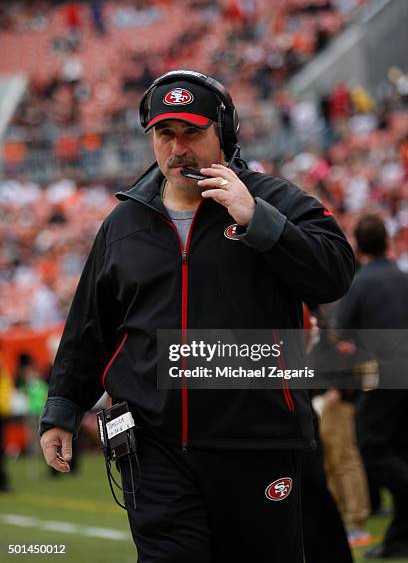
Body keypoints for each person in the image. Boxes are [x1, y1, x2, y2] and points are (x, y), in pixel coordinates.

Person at [40, 69, 355, 562]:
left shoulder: (275, 200)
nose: (178, 148)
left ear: (224, 134)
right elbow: (89, 326)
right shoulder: (123, 224)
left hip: (256, 443)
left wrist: (258, 220)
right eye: (165, 134)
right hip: (153, 448)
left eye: (193, 132)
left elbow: (334, 273)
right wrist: (62, 408)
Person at [335, 214, 408, 559]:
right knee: (399, 450)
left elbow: (341, 336)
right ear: (387, 242)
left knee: (372, 448)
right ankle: (399, 538)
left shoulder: (361, 283)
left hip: (382, 377)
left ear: (359, 246)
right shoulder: (402, 278)